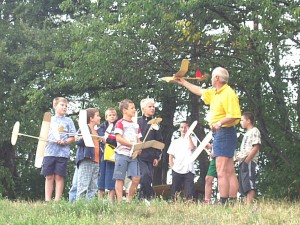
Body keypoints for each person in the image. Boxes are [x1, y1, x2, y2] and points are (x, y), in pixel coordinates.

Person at [175, 67, 241, 204]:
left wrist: (219, 123)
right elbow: (199, 91)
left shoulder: (228, 93)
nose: (210, 79)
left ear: (217, 78)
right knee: (229, 170)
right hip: (222, 134)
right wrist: (183, 82)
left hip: (224, 133)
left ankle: (223, 202)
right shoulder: (215, 92)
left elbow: (234, 115)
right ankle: (233, 202)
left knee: (221, 170)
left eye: (212, 77)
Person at [41, 97, 76, 202]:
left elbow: (73, 136)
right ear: (55, 106)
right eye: (62, 105)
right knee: (49, 176)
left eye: (66, 106)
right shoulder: (49, 120)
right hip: (49, 152)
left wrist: (65, 142)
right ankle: (47, 200)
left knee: (59, 177)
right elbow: (43, 135)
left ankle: (57, 200)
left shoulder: (69, 121)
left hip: (62, 154)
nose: (64, 107)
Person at [113, 99, 142, 202]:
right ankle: (120, 201)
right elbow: (118, 138)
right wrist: (132, 145)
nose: (134, 110)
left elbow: (139, 140)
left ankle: (129, 199)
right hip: (121, 154)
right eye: (132, 108)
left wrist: (138, 148)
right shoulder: (120, 123)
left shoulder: (136, 125)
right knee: (119, 177)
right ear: (124, 110)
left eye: (135, 108)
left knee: (136, 178)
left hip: (133, 155)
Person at [137, 98, 163, 200]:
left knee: (148, 179)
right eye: (150, 107)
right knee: (145, 176)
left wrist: (157, 156)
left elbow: (159, 141)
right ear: (143, 108)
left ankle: (142, 199)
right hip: (139, 154)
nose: (152, 108)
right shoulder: (137, 121)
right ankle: (152, 197)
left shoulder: (155, 124)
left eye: (153, 107)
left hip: (151, 156)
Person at [75, 108, 101, 201]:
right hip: (87, 160)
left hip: (96, 161)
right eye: (97, 116)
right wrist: (84, 137)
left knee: (93, 188)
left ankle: (89, 207)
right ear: (91, 118)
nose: (100, 118)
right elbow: (78, 142)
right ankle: (79, 208)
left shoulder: (97, 131)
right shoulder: (83, 128)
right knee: (83, 186)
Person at [168, 121, 196, 200]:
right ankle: (175, 206)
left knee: (189, 193)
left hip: (189, 170)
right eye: (182, 127)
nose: (183, 129)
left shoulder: (193, 139)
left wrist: (189, 135)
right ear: (179, 128)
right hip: (177, 169)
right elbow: (170, 155)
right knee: (175, 192)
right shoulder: (175, 142)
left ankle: (189, 207)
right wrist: (172, 167)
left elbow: (192, 148)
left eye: (185, 127)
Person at [237, 111, 261, 204]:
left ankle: (249, 205)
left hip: (249, 160)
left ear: (249, 121)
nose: (240, 122)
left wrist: (247, 160)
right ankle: (245, 203)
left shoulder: (255, 131)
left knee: (250, 183)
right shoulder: (246, 133)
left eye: (242, 120)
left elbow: (256, 146)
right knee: (244, 184)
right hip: (243, 161)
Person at [97, 108, 118, 202]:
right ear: (106, 117)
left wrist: (108, 139)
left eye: (114, 115)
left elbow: (117, 140)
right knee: (101, 178)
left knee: (111, 177)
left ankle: (111, 201)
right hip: (102, 155)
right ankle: (100, 201)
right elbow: (99, 138)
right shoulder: (101, 128)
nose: (112, 116)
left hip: (113, 155)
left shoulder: (118, 127)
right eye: (110, 115)